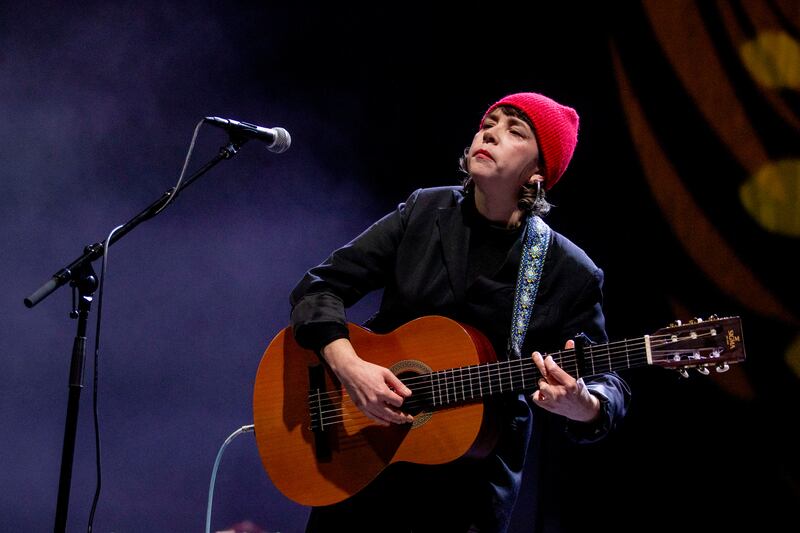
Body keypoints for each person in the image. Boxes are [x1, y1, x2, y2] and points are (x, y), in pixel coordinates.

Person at [288, 91, 631, 533]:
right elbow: (318, 287)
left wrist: (585, 404)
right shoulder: (424, 211)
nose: (490, 132)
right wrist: (350, 366)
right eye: (490, 122)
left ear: (539, 173)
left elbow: (608, 381)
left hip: (465, 496)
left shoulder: (570, 271)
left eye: (514, 131)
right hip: (365, 459)